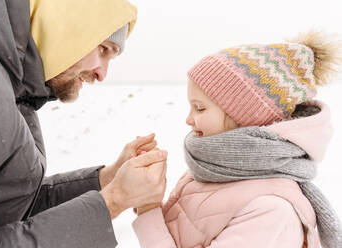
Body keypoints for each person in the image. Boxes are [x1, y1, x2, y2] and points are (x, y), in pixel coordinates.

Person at [0, 0, 167, 247]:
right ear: (67, 24)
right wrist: (114, 201)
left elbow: (7, 209)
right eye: (103, 49)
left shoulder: (12, 88)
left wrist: (106, 180)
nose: (102, 74)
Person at [132, 31, 342, 248]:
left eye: (200, 108)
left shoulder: (271, 211)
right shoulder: (214, 170)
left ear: (244, 115)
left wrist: (149, 209)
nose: (188, 119)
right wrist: (148, 199)